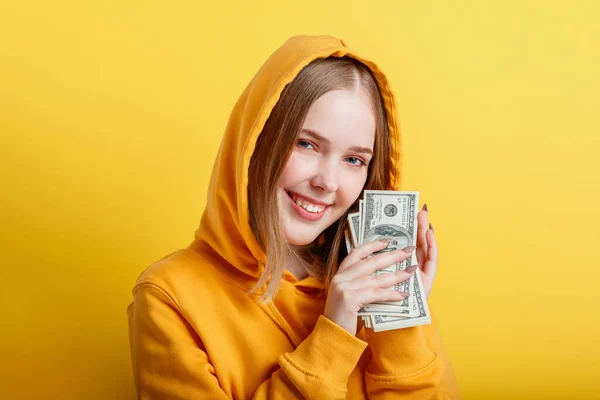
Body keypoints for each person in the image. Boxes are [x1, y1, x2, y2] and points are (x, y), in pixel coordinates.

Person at [127, 34, 462, 399]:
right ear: (256, 144)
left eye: (354, 159)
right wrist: (333, 334)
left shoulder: (377, 278)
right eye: (306, 144)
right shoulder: (168, 296)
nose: (327, 182)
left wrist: (397, 322)